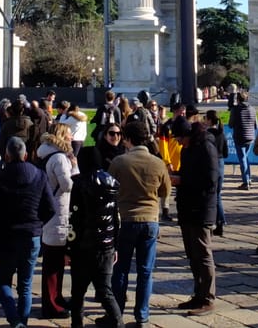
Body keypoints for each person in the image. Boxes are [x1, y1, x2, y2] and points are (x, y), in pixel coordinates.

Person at [108, 120, 171, 328]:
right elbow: (165, 191)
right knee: (145, 271)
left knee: (120, 269)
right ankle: (142, 316)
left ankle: (116, 314)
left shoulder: (119, 162)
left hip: (125, 219)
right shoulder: (158, 163)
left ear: (127, 139)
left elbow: (109, 190)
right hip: (150, 219)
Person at [0, 135, 55, 328]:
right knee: (25, 285)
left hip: (7, 236)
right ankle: (22, 322)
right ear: (26, 155)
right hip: (31, 234)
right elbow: (51, 207)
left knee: (3, 281)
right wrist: (38, 223)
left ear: (7, 156)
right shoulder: (39, 175)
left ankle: (15, 320)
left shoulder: (0, 179)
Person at [66, 146, 123, 328]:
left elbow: (74, 218)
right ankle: (117, 321)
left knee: (78, 291)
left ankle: (77, 323)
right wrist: (115, 245)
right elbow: (116, 218)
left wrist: (69, 247)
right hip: (106, 244)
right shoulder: (111, 183)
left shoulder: (79, 184)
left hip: (83, 245)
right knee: (105, 289)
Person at [172, 120, 218, 314]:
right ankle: (198, 294)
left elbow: (210, 180)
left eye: (179, 138)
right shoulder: (187, 150)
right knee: (192, 254)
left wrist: (182, 180)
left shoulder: (206, 147)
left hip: (202, 208)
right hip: (187, 208)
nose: (179, 142)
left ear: (188, 135)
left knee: (203, 254)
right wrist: (175, 176)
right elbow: (187, 173)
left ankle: (207, 297)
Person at [36, 125, 76, 319]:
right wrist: (75, 167)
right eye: (69, 134)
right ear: (61, 136)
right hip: (58, 212)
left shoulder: (46, 153)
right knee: (53, 264)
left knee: (55, 262)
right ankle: (52, 304)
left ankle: (56, 298)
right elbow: (67, 185)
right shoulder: (59, 158)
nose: (71, 137)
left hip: (51, 212)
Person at [228, 89, 256, 190]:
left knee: (242, 159)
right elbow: (256, 125)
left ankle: (246, 181)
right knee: (245, 158)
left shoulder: (235, 110)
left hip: (239, 137)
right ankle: (248, 178)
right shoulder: (252, 109)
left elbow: (230, 125)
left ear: (238, 99)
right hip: (251, 137)